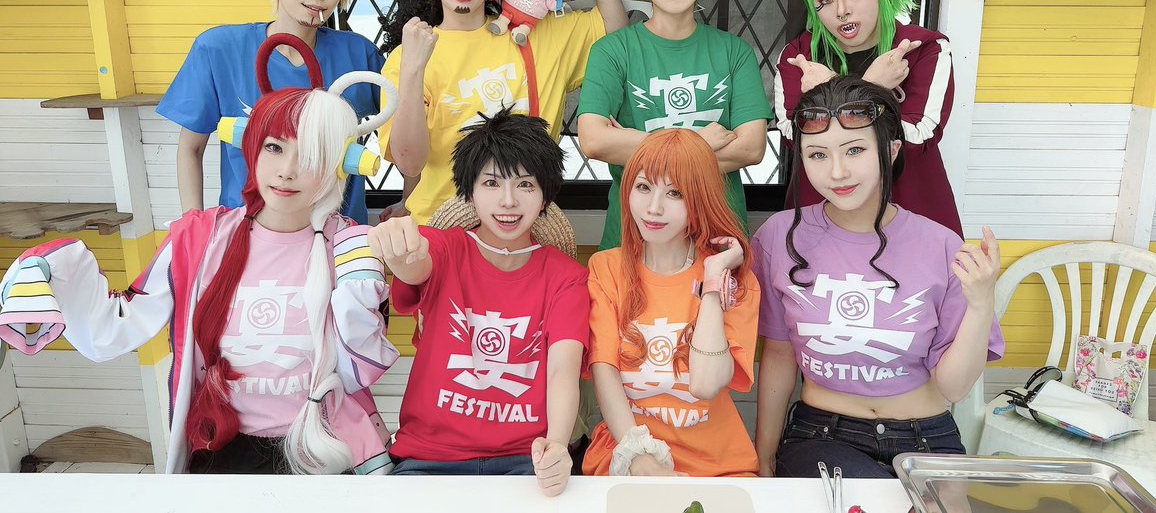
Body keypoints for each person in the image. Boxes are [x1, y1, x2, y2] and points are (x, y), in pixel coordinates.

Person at [0, 43, 400, 474]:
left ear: (339, 163)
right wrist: (55, 270)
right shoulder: (202, 241)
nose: (287, 170)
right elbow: (120, 321)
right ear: (251, 148)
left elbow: (362, 366)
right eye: (274, 147)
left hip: (324, 447)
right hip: (222, 446)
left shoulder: (350, 247)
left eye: (310, 154)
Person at [752, 76, 1005, 479]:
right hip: (822, 435)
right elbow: (779, 356)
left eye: (855, 150)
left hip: (927, 437)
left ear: (891, 150)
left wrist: (981, 303)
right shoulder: (778, 237)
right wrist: (764, 456)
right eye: (817, 154)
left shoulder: (940, 244)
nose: (837, 172)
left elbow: (954, 387)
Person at [368, 108, 585, 497]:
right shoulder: (444, 248)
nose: (508, 201)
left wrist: (556, 444)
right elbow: (415, 263)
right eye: (491, 182)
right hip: (429, 460)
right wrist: (398, 250)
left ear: (545, 196)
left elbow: (562, 371)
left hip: (525, 461)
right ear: (469, 192)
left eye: (525, 184)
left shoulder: (566, 277)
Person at [378, 0, 628, 224]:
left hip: (522, 227)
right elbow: (410, 163)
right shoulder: (408, 57)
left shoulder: (540, 35)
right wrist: (413, 69)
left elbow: (615, 31)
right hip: (440, 229)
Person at [158, 0, 383, 224]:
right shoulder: (219, 50)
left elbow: (406, 133)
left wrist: (408, 201)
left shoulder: (358, 53)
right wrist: (193, 225)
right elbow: (191, 148)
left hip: (339, 233)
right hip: (247, 229)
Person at [577, 0, 771, 251]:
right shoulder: (612, 51)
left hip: (717, 241)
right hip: (632, 241)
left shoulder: (735, 52)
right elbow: (594, 141)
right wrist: (699, 144)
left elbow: (751, 147)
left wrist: (639, 147)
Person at [772, 0, 961, 235]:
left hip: (912, 223)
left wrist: (828, 95)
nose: (842, 10)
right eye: (826, 1)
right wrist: (873, 87)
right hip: (821, 226)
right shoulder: (799, 57)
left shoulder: (924, 49)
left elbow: (918, 138)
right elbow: (794, 137)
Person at [582, 129, 760, 477]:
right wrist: (639, 456)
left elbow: (705, 384)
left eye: (675, 192)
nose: (654, 207)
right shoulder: (606, 269)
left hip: (717, 464)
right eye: (643, 187)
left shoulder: (734, 279)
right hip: (626, 452)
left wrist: (713, 282)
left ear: (701, 197)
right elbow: (604, 370)